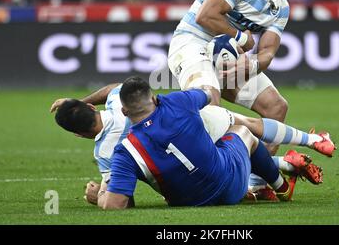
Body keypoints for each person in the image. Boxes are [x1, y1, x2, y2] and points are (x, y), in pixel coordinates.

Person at [167, 0, 334, 195]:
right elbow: (206, 16)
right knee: (211, 107)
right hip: (191, 45)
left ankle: (255, 182)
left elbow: (267, 52)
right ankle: (217, 178)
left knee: (276, 107)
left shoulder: (281, 8)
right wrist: (243, 37)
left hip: (228, 57)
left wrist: (251, 66)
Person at [51, 82, 327, 204]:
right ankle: (303, 149)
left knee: (180, 169)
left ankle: (270, 176)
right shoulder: (162, 101)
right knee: (248, 129)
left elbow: (121, 198)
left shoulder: (112, 151)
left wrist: (98, 194)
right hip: (193, 126)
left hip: (179, 185)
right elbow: (115, 89)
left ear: (79, 135)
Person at [94, 76, 299, 209]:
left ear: (124, 112)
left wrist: (99, 196)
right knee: (242, 131)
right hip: (230, 187)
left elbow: (116, 204)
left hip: (187, 203)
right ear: (154, 99)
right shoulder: (177, 101)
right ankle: (281, 188)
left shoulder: (124, 151)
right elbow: (208, 94)